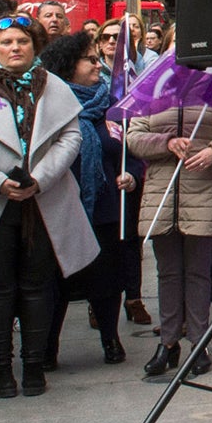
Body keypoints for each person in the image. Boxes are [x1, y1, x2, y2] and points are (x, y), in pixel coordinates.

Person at [0, 15, 100, 397]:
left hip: (43, 201)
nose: (14, 48)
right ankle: (0, 368)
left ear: (33, 47)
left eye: (22, 42)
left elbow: (69, 139)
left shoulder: (55, 87)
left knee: (37, 287)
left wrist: (40, 179)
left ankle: (34, 366)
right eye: (7, 42)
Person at [126, 72, 212, 378]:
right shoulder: (150, 87)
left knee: (198, 273)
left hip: (203, 190)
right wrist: (166, 142)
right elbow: (134, 138)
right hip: (161, 194)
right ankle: (168, 342)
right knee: (168, 273)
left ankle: (199, 343)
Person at [37, 31, 136, 368]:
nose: (98, 64)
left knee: (107, 281)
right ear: (68, 66)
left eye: (98, 59)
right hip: (62, 209)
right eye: (90, 60)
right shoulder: (47, 108)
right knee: (58, 284)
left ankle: (110, 339)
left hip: (106, 210)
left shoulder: (111, 106)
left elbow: (129, 149)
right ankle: (48, 347)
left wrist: (132, 173)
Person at [92, 17, 153, 326]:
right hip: (101, 172)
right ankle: (99, 303)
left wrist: (132, 169)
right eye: (108, 37)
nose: (114, 42)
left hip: (129, 166)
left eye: (120, 37)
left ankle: (134, 297)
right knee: (105, 244)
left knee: (131, 239)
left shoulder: (138, 75)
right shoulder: (93, 79)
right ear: (100, 43)